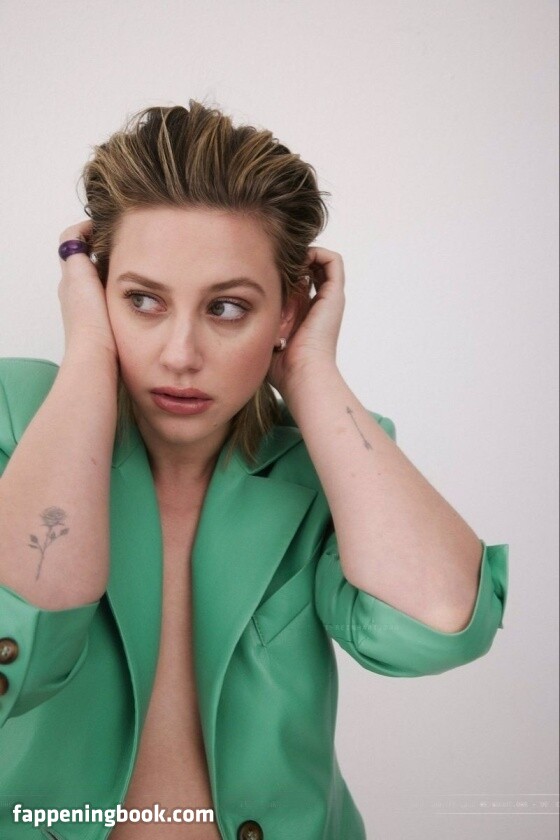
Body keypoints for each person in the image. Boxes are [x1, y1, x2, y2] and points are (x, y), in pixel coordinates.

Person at [0, 101, 509, 840]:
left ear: (285, 312)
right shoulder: (16, 418)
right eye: (142, 300)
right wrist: (87, 354)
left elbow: (439, 624)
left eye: (228, 309)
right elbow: (18, 645)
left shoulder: (328, 461)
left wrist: (310, 372)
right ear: (97, 292)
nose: (181, 353)